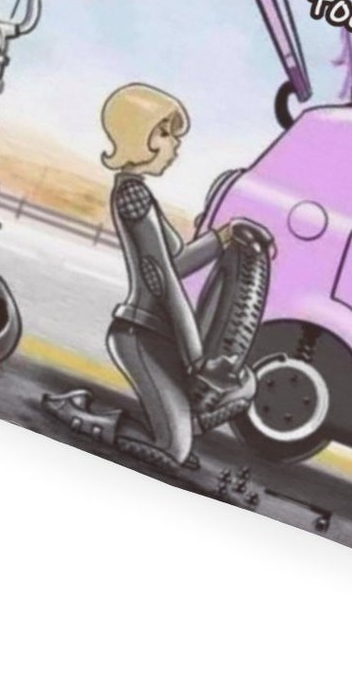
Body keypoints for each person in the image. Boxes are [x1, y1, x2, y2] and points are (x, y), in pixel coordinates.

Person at [41, 83, 266, 468]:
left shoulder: (141, 195)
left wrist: (223, 237)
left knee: (241, 387)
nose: (174, 146)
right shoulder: (133, 197)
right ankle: (78, 412)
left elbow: (176, 263)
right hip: (141, 334)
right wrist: (197, 360)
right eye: (165, 134)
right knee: (172, 451)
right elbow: (164, 285)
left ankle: (175, 427)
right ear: (139, 136)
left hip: (160, 337)